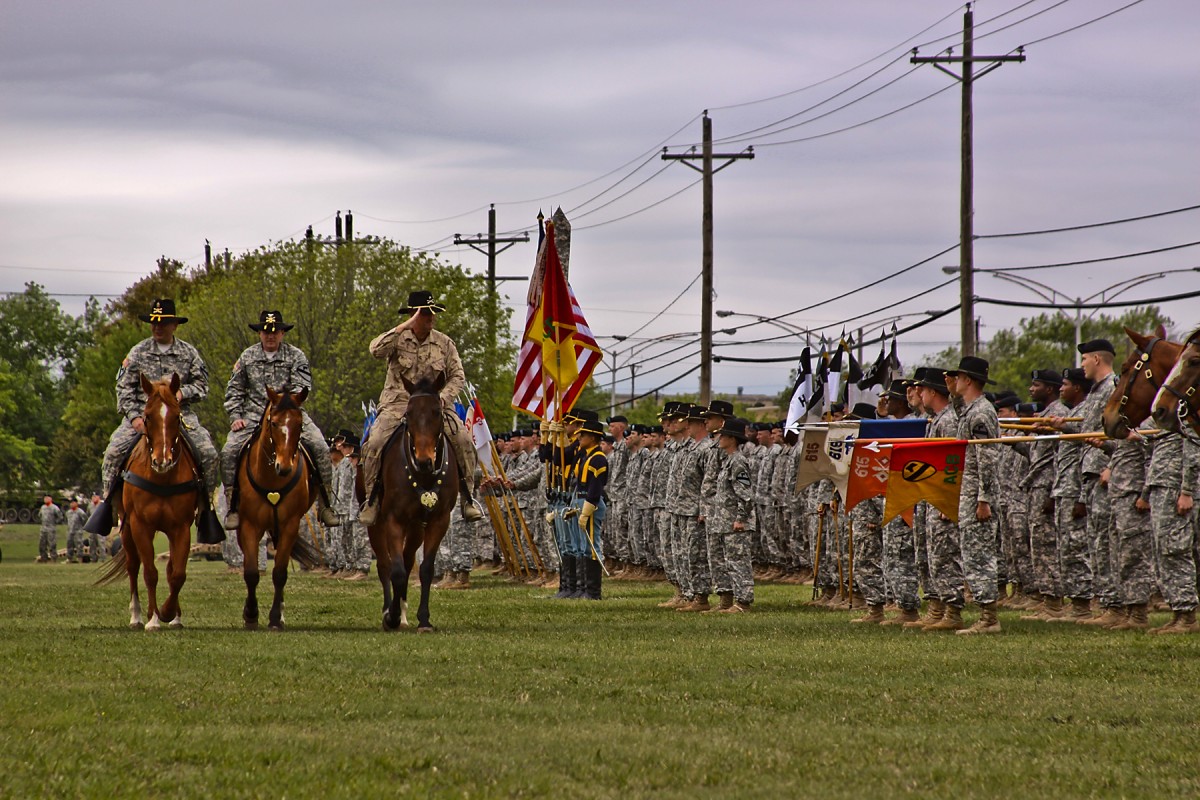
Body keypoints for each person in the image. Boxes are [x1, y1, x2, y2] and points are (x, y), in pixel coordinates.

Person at [90, 299, 222, 543]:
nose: (157, 327)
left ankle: (206, 508)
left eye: (163, 323)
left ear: (174, 325)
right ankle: (108, 504)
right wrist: (135, 418)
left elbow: (203, 385)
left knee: (209, 453)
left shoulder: (189, 353)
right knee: (113, 452)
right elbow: (123, 388)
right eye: (154, 323)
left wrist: (183, 393)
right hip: (142, 416)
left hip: (179, 415)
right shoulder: (137, 352)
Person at [358, 291, 481, 525]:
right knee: (373, 444)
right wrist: (404, 325)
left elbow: (457, 376)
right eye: (425, 313)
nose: (430, 317)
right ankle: (371, 500)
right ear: (413, 315)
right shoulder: (397, 339)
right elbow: (375, 350)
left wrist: (442, 398)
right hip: (397, 405)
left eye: (432, 312)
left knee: (464, 441)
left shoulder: (445, 343)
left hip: (436, 407)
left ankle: (468, 498)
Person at [220, 310, 340, 530]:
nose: (270, 336)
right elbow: (234, 390)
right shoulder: (247, 357)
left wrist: (285, 407)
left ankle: (326, 504)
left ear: (283, 333)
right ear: (259, 333)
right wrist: (235, 417)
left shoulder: (296, 356)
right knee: (228, 452)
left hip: (288, 415)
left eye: (275, 331)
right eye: (266, 331)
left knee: (321, 448)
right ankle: (232, 506)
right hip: (253, 415)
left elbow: (302, 388)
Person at [946, 355, 1002, 635]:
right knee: (972, 553)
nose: (954, 382)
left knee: (980, 555)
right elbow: (959, 418)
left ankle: (989, 618)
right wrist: (952, 396)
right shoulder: (971, 410)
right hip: (967, 494)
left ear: (967, 380)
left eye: (957, 377)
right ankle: (985, 614)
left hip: (977, 497)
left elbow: (988, 458)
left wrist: (984, 499)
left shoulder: (981, 412)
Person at [706, 417, 757, 613]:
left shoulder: (738, 461)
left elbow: (746, 496)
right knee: (728, 562)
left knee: (739, 562)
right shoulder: (728, 461)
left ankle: (743, 602)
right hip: (724, 522)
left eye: (723, 435)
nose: (719, 439)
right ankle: (728, 601)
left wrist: (740, 519)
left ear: (733, 439)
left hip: (736, 523)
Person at [571, 417, 609, 600]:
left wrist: (588, 508)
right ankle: (584, 588)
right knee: (583, 546)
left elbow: (596, 486)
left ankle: (594, 591)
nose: (579, 438)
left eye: (583, 435)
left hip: (590, 503)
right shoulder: (585, 456)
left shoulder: (598, 459)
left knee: (592, 545)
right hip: (580, 500)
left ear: (593, 438)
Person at [37, 496, 64, 563]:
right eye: (45, 498)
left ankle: (53, 559)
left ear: (51, 499)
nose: (45, 499)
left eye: (47, 498)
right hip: (43, 529)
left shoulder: (54, 508)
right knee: (42, 545)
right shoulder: (43, 507)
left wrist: (54, 523)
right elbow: (40, 516)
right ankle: (44, 559)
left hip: (51, 529)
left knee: (52, 545)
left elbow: (60, 517)